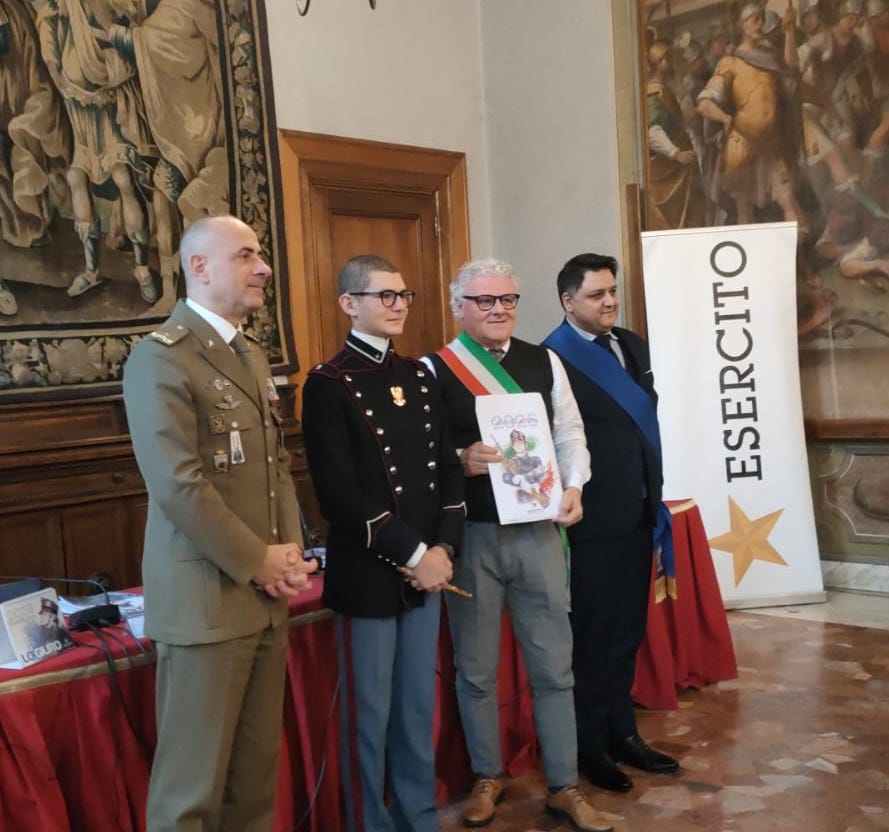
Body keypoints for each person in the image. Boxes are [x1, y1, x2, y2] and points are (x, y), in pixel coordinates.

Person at [123, 214, 316, 832]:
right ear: (199, 266)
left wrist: (288, 552)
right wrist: (258, 560)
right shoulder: (161, 358)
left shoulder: (248, 354)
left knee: (252, 785)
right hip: (206, 601)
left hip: (263, 597)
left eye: (260, 255)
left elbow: (275, 466)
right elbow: (177, 484)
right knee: (191, 793)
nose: (264, 268)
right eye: (246, 255)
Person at [424, 258, 612, 832]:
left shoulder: (543, 360)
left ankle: (564, 785)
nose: (498, 309)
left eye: (507, 299)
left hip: (538, 532)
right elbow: (418, 454)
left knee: (554, 666)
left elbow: (569, 432)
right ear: (458, 307)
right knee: (477, 670)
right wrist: (458, 459)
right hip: (473, 538)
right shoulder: (434, 369)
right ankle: (487, 777)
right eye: (484, 300)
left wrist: (575, 485)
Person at [301, 254, 465, 832]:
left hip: (428, 570)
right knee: (368, 716)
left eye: (404, 295)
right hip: (372, 572)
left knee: (418, 707)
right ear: (350, 304)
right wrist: (417, 554)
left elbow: (448, 472)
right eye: (385, 296)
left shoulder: (419, 375)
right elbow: (338, 495)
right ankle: (371, 822)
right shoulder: (328, 383)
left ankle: (419, 817)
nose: (398, 306)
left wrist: (443, 550)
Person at [542, 253, 680, 794]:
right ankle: (589, 747)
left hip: (639, 511)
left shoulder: (631, 344)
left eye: (612, 291)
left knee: (626, 633)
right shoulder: (552, 357)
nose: (610, 302)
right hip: (593, 520)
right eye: (597, 294)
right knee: (594, 637)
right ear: (567, 300)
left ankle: (624, 734)